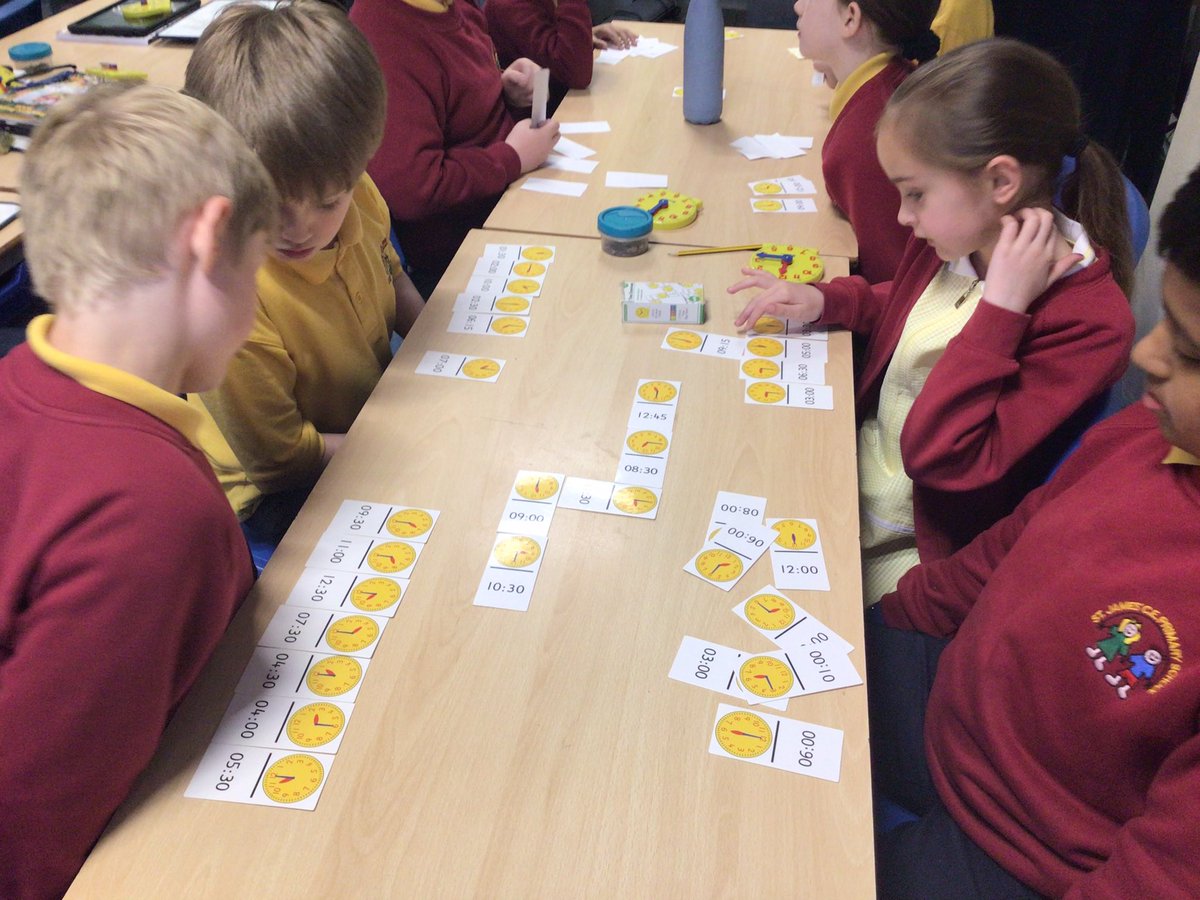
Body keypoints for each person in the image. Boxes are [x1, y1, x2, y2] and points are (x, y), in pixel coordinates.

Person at [867, 163, 1200, 899]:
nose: (1147, 354)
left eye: (1189, 350)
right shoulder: (1150, 434)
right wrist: (896, 616)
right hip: (952, 712)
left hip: (1021, 849)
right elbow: (1017, 545)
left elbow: (1159, 878)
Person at [731, 39, 1135, 605]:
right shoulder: (960, 234)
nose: (902, 216)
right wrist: (829, 300)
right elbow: (913, 305)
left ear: (1001, 182)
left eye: (915, 194)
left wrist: (1001, 312)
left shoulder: (1087, 324)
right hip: (849, 473)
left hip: (909, 546)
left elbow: (941, 458)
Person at [0, 83, 276, 899]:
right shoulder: (152, 513)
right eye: (255, 273)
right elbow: (30, 839)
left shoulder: (20, 379)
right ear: (208, 237)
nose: (257, 315)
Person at [183, 0, 425, 540]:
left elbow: (394, 275)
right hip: (275, 493)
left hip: (365, 415)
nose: (298, 229)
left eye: (326, 202)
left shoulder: (355, 190)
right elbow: (282, 461)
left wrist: (441, 343)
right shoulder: (229, 302)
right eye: (269, 203)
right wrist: (413, 439)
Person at [350, 0, 561, 296]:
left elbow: (455, 110)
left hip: (516, 197)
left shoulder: (452, 6)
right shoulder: (384, 31)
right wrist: (510, 158)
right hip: (464, 253)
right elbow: (413, 188)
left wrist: (504, 90)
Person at [794, 0, 941, 283]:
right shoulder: (888, 85)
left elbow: (893, 282)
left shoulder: (869, 134)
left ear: (851, 19)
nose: (799, 6)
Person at [485, 0, 639, 109]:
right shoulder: (508, 5)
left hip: (568, 103)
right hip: (543, 122)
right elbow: (576, 74)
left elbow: (548, 43)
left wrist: (585, 35)